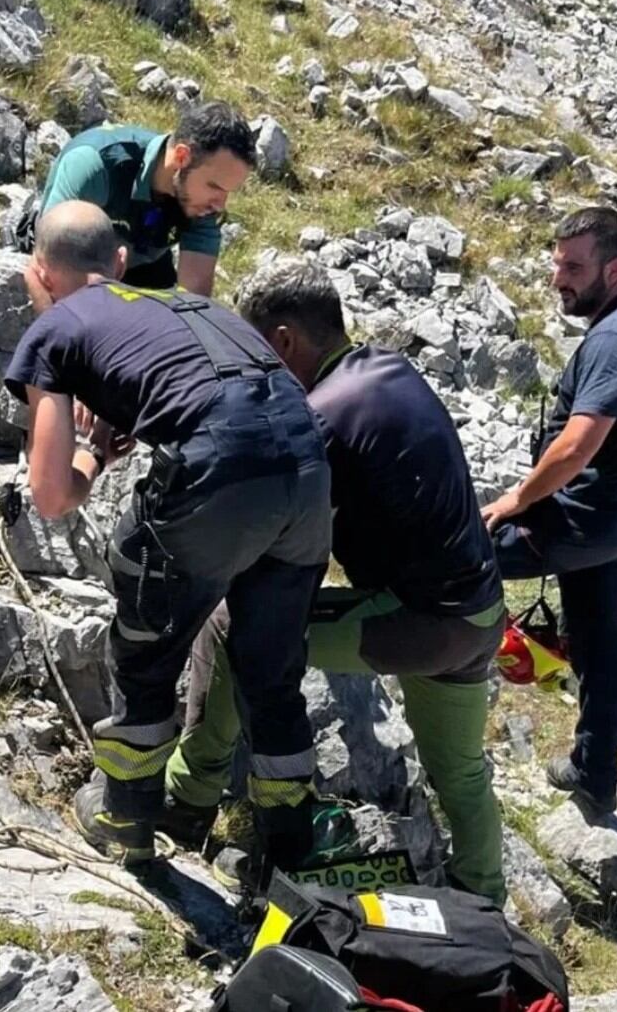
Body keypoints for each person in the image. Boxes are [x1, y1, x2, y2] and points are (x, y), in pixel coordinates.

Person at [161, 259, 509, 905]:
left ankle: (185, 802)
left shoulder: (322, 416)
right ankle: (482, 899)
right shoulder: (387, 369)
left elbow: (284, 546)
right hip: (482, 617)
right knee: (461, 774)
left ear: (286, 340)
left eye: (257, 350)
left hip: (419, 622)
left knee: (233, 629)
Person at [3, 201, 331, 872]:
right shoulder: (183, 302)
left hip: (223, 468)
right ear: (120, 261)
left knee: (146, 639)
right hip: (307, 467)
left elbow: (51, 494)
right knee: (270, 669)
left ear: (39, 270)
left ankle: (125, 817)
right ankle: (289, 854)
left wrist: (92, 457)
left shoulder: (57, 326)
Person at [482, 207, 617, 815]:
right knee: (598, 641)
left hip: (576, 520)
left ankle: (405, 683)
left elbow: (577, 445)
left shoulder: (616, 339)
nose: (558, 278)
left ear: (614, 268)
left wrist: (518, 499)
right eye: (556, 263)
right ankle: (595, 771)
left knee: (452, 554)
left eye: (574, 266)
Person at [16, 101, 255, 296]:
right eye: (214, 186)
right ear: (181, 157)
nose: (219, 205)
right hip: (77, 264)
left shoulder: (201, 203)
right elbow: (48, 269)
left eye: (227, 193)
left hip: (142, 267)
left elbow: (194, 300)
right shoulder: (96, 165)